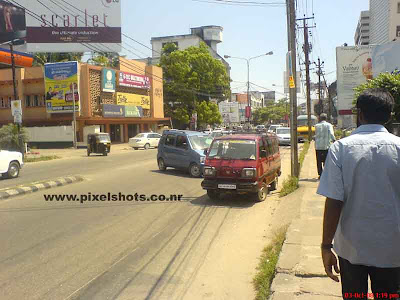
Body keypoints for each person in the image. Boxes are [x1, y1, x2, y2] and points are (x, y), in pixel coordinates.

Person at [317, 89, 400, 300]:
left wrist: (326, 246)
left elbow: (334, 201)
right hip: (393, 250)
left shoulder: (340, 149)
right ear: (389, 116)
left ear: (359, 114)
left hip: (352, 249)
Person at [315, 113, 335, 179]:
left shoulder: (316, 126)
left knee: (319, 161)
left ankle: (320, 174)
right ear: (326, 118)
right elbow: (332, 134)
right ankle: (326, 174)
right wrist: (334, 140)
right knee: (327, 161)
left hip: (318, 146)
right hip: (327, 146)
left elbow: (315, 135)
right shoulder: (329, 125)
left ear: (320, 118)